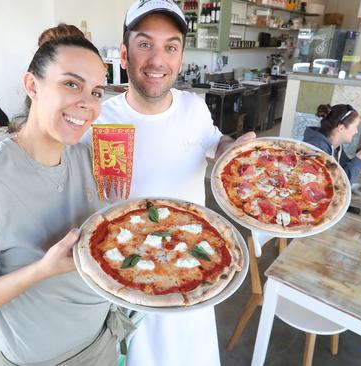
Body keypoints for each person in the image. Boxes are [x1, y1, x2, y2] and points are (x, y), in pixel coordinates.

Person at [0, 25, 133, 366]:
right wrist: (41, 270)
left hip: (105, 340)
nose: (87, 103)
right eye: (71, 84)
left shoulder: (90, 156)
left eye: (97, 92)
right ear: (32, 85)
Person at [81, 1, 255, 365]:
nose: (158, 60)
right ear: (124, 54)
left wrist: (231, 149)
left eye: (170, 46)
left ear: (180, 56)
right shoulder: (98, 120)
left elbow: (214, 142)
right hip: (121, 281)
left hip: (196, 267)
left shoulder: (194, 107)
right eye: (145, 44)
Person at [303, 103, 361, 183]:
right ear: (341, 128)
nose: (356, 131)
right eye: (355, 127)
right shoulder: (316, 149)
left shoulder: (335, 146)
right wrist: (359, 161)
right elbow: (335, 185)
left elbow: (343, 169)